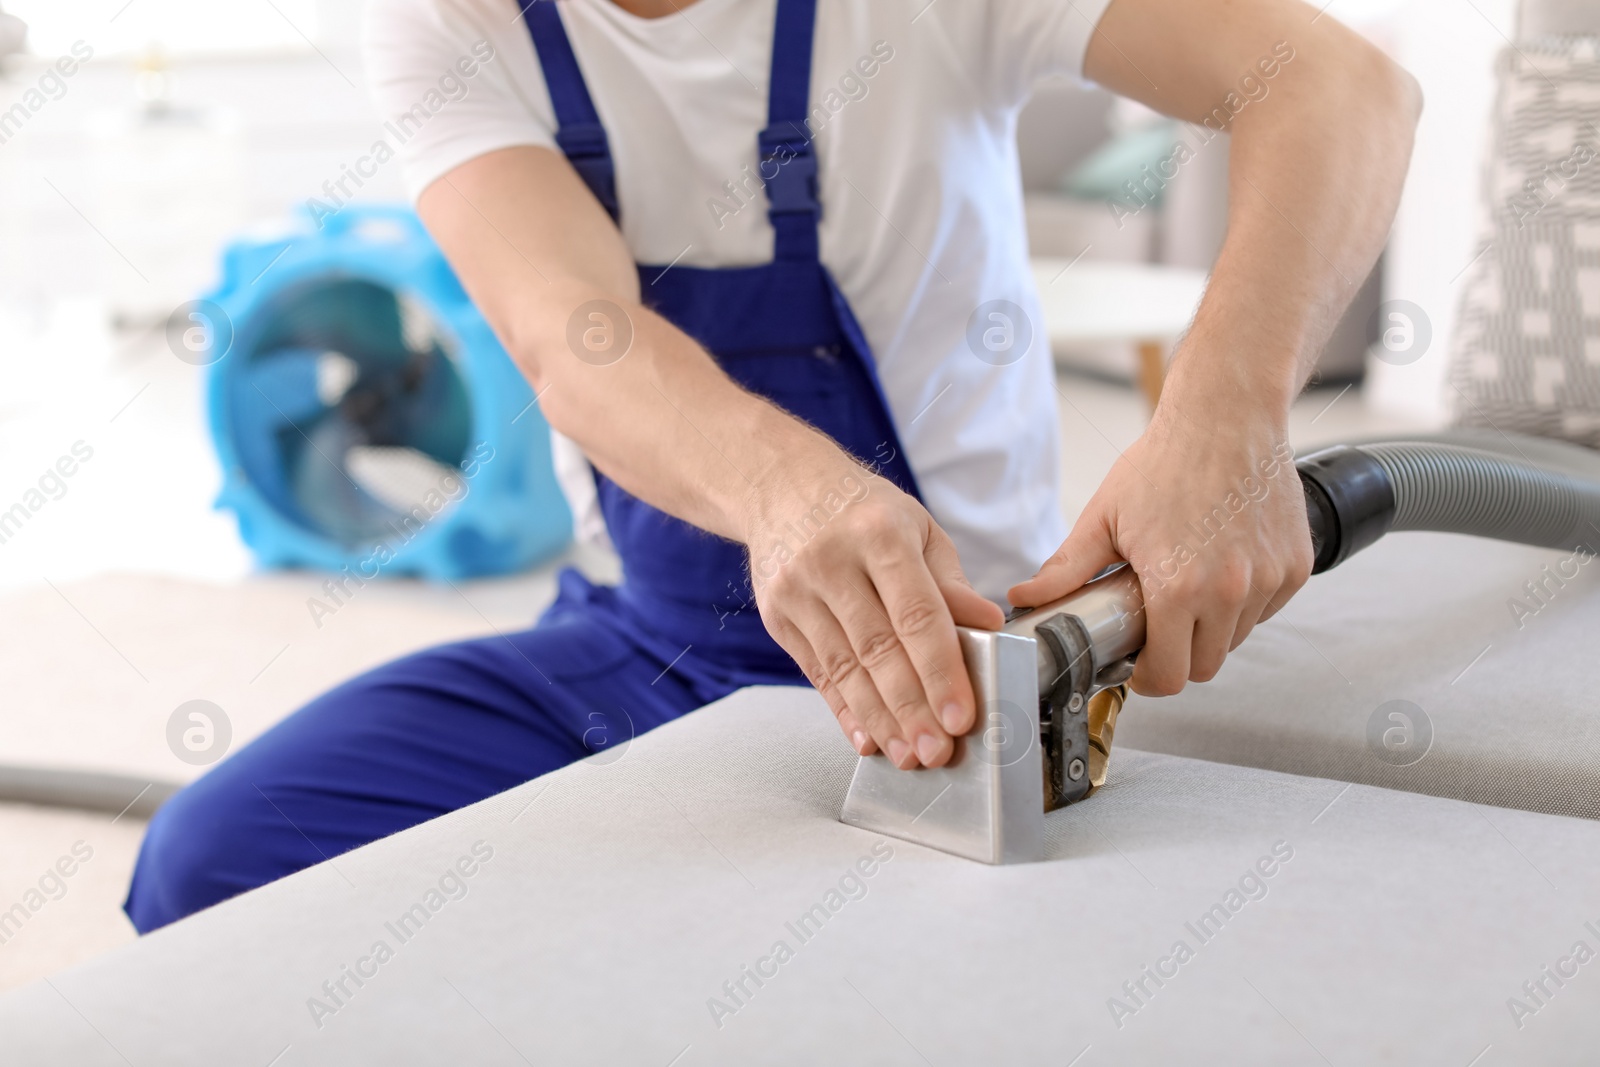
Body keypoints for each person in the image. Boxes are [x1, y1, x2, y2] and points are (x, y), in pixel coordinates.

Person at [124, 0, 1419, 931]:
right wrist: (789, 495)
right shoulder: (444, 22)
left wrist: (1226, 416)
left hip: (971, 685)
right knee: (212, 862)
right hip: (655, 650)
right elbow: (574, 341)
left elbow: (1335, 85)